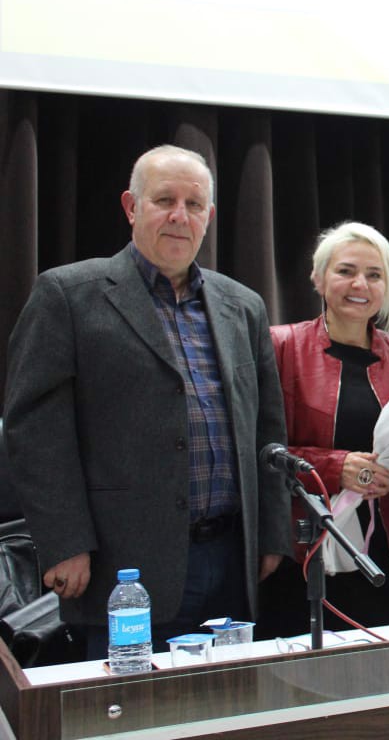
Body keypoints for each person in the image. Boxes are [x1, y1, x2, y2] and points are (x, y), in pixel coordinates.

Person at [3, 145, 292, 656]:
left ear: (209, 217)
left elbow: (267, 430)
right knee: (133, 704)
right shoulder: (68, 295)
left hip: (231, 560)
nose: (180, 216)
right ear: (131, 207)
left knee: (228, 701)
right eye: (164, 200)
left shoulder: (243, 306)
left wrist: (271, 535)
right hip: (122, 568)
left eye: (194, 204)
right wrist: (65, 542)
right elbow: (35, 431)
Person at [259, 221, 389, 636]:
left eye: (374, 275)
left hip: (387, 553)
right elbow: (259, 451)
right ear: (318, 278)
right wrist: (338, 468)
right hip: (303, 555)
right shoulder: (280, 345)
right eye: (346, 271)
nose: (360, 284)